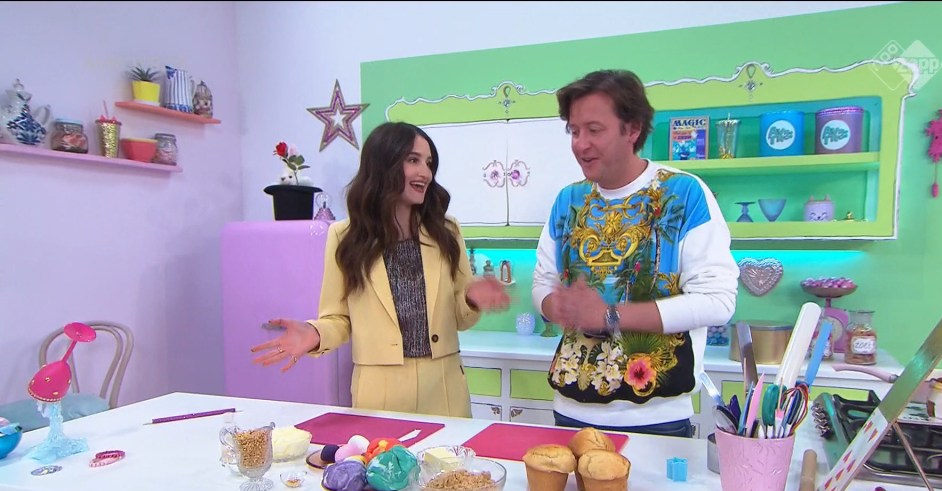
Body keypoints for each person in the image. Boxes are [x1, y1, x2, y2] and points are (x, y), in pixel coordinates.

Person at [252, 122, 510, 417]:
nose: (425, 173)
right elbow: (338, 318)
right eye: (413, 160)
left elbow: (461, 319)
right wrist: (315, 333)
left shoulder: (447, 231)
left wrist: (472, 298)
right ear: (384, 164)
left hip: (444, 388)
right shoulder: (345, 236)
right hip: (379, 394)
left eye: (429, 163)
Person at [532, 70, 739, 438]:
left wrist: (608, 315)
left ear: (632, 129)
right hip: (569, 411)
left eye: (594, 130)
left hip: (655, 418)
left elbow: (717, 301)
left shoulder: (683, 194)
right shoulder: (568, 201)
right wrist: (555, 305)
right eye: (574, 131)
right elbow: (543, 284)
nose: (580, 144)